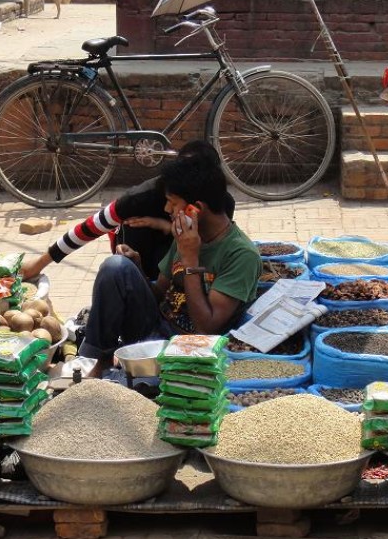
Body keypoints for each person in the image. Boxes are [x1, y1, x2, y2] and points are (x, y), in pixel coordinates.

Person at [77, 151, 261, 378]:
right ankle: (96, 360)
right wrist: (137, 269)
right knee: (116, 267)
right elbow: (159, 293)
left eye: (173, 204)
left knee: (132, 385)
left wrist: (190, 259)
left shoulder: (241, 255)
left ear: (196, 209)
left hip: (190, 351)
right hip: (154, 329)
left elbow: (207, 328)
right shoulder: (186, 234)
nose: (167, 210)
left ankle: (126, 373)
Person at [21, 141, 236, 282]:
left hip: (188, 269)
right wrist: (41, 262)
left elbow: (213, 252)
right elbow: (91, 227)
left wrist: (167, 227)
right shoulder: (140, 198)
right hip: (144, 259)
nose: (166, 208)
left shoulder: (220, 205)